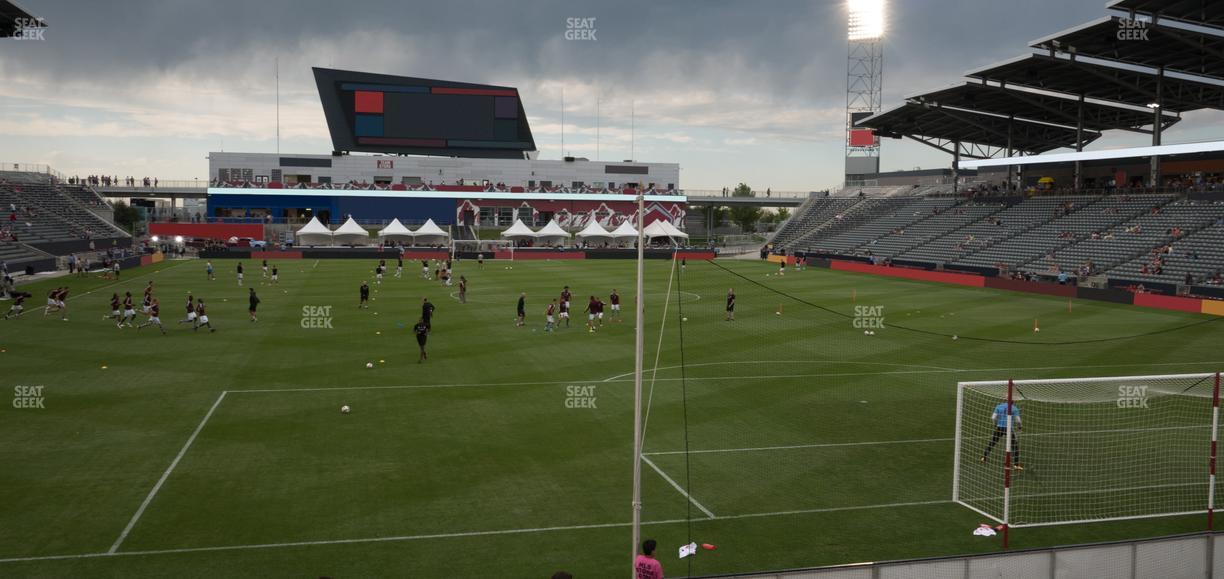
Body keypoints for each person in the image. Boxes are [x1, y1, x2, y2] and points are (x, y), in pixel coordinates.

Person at [981, 399, 1022, 470]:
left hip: (999, 428)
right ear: (1013, 402)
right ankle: (1016, 465)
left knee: (992, 443)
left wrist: (995, 424)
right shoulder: (1014, 408)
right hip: (1009, 429)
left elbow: (993, 418)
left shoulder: (999, 406)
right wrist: (1020, 426)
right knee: (1015, 447)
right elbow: (1018, 420)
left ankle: (984, 458)